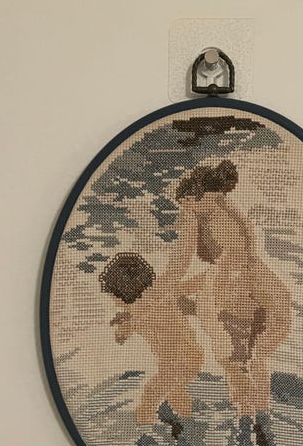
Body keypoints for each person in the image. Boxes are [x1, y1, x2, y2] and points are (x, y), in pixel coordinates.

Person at [172, 159, 291, 416]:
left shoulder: (218, 221)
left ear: (198, 196)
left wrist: (186, 298)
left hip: (257, 301)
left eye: (187, 204)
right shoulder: (225, 213)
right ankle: (255, 419)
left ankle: (251, 419)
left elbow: (223, 277)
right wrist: (184, 293)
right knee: (248, 362)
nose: (186, 211)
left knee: (241, 361)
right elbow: (223, 274)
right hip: (263, 300)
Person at [99, 252, 204, 424]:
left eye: (114, 298)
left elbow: (129, 327)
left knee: (151, 393)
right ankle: (188, 420)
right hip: (189, 356)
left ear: (122, 293)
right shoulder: (155, 297)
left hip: (179, 361)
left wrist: (122, 332)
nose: (115, 303)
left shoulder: (140, 310)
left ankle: (145, 424)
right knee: (174, 392)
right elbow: (182, 295)